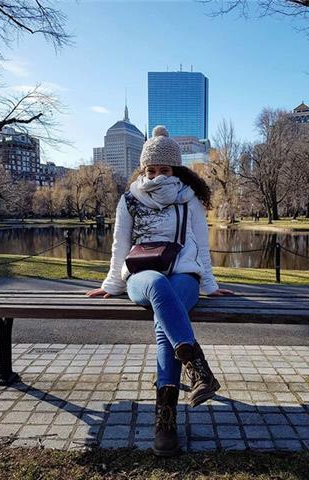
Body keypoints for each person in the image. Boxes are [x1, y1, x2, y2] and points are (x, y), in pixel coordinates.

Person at [87, 125, 234, 457]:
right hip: (142, 275)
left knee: (164, 321)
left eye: (163, 170)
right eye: (150, 169)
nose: (156, 175)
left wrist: (209, 285)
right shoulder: (129, 200)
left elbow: (202, 245)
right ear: (143, 169)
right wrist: (111, 284)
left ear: (175, 170)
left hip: (184, 274)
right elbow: (120, 245)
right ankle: (198, 369)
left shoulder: (189, 199)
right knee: (155, 285)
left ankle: (164, 423)